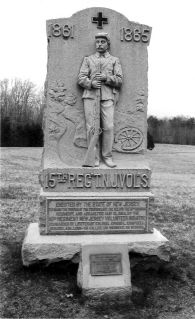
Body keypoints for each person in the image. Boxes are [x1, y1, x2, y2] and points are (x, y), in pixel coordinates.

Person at [78, 32, 123, 167]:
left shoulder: (114, 60)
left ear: (108, 44)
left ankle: (107, 156)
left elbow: (120, 80)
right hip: (90, 97)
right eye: (97, 42)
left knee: (108, 127)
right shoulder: (88, 59)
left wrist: (107, 78)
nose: (99, 44)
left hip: (107, 97)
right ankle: (94, 157)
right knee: (92, 128)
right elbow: (81, 78)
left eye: (102, 42)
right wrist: (90, 83)